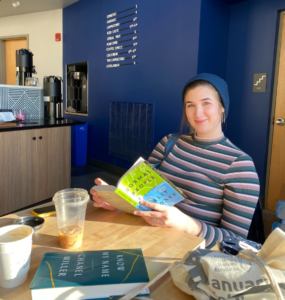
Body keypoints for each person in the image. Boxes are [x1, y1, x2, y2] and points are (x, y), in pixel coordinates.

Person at [90, 73, 260, 249]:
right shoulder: (169, 143)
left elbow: (236, 244)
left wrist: (187, 224)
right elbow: (142, 201)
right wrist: (118, 203)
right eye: (190, 105)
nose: (198, 112)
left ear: (222, 107)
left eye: (206, 103)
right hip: (145, 240)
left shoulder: (240, 166)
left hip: (188, 258)